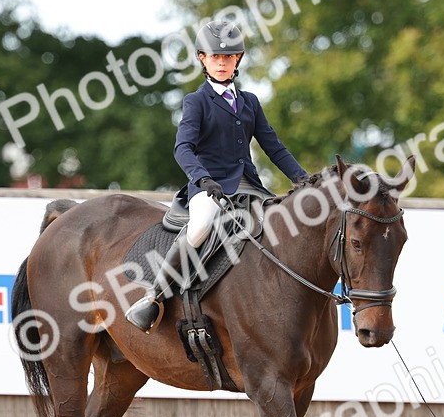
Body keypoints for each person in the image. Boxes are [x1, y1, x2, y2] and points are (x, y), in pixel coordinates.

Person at [125, 20, 311, 332]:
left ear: (238, 59)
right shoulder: (196, 101)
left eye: (228, 57)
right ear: (203, 59)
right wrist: (202, 178)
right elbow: (183, 148)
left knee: (281, 224)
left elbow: (274, 148)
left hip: (250, 186)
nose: (222, 63)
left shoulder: (250, 101)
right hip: (208, 186)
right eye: (215, 57)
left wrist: (304, 180)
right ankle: (154, 297)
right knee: (200, 227)